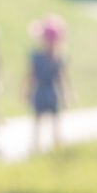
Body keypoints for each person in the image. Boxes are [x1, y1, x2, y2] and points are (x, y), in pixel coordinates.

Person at [26, 15, 73, 154]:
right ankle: (36, 144)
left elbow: (62, 78)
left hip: (50, 91)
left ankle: (57, 142)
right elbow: (30, 75)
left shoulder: (57, 58)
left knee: (55, 119)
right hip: (41, 90)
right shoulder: (38, 57)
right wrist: (28, 90)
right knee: (38, 118)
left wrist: (66, 94)